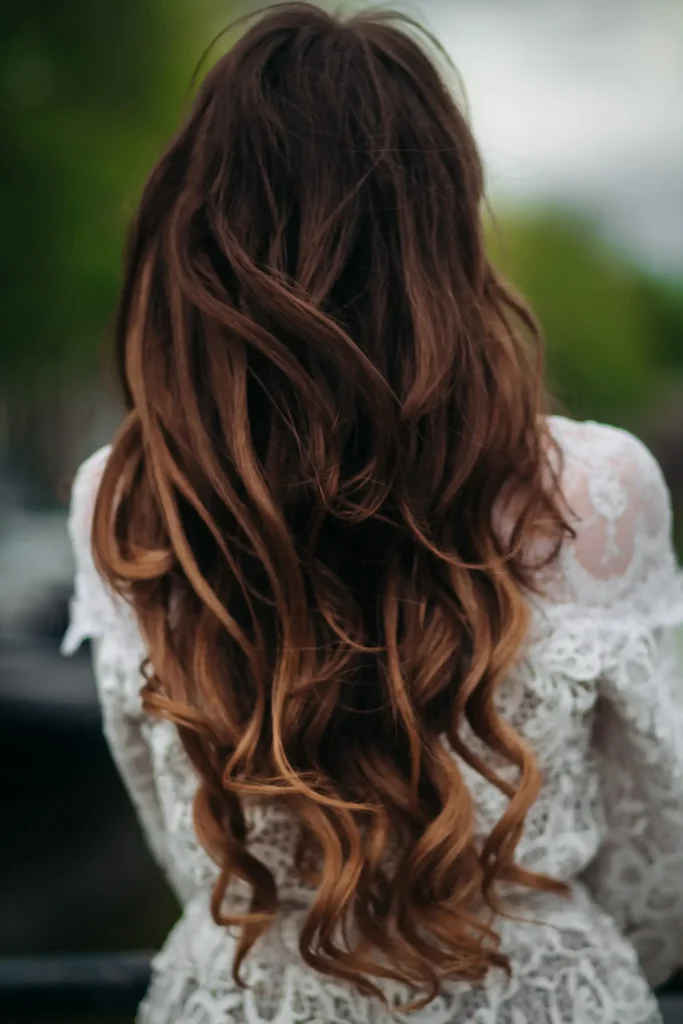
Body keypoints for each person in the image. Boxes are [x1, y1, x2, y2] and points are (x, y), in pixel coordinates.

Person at [62, 4, 683, 1022]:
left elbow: (184, 847)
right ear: (443, 222)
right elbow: (658, 859)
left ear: (203, 229)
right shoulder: (598, 490)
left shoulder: (123, 498)